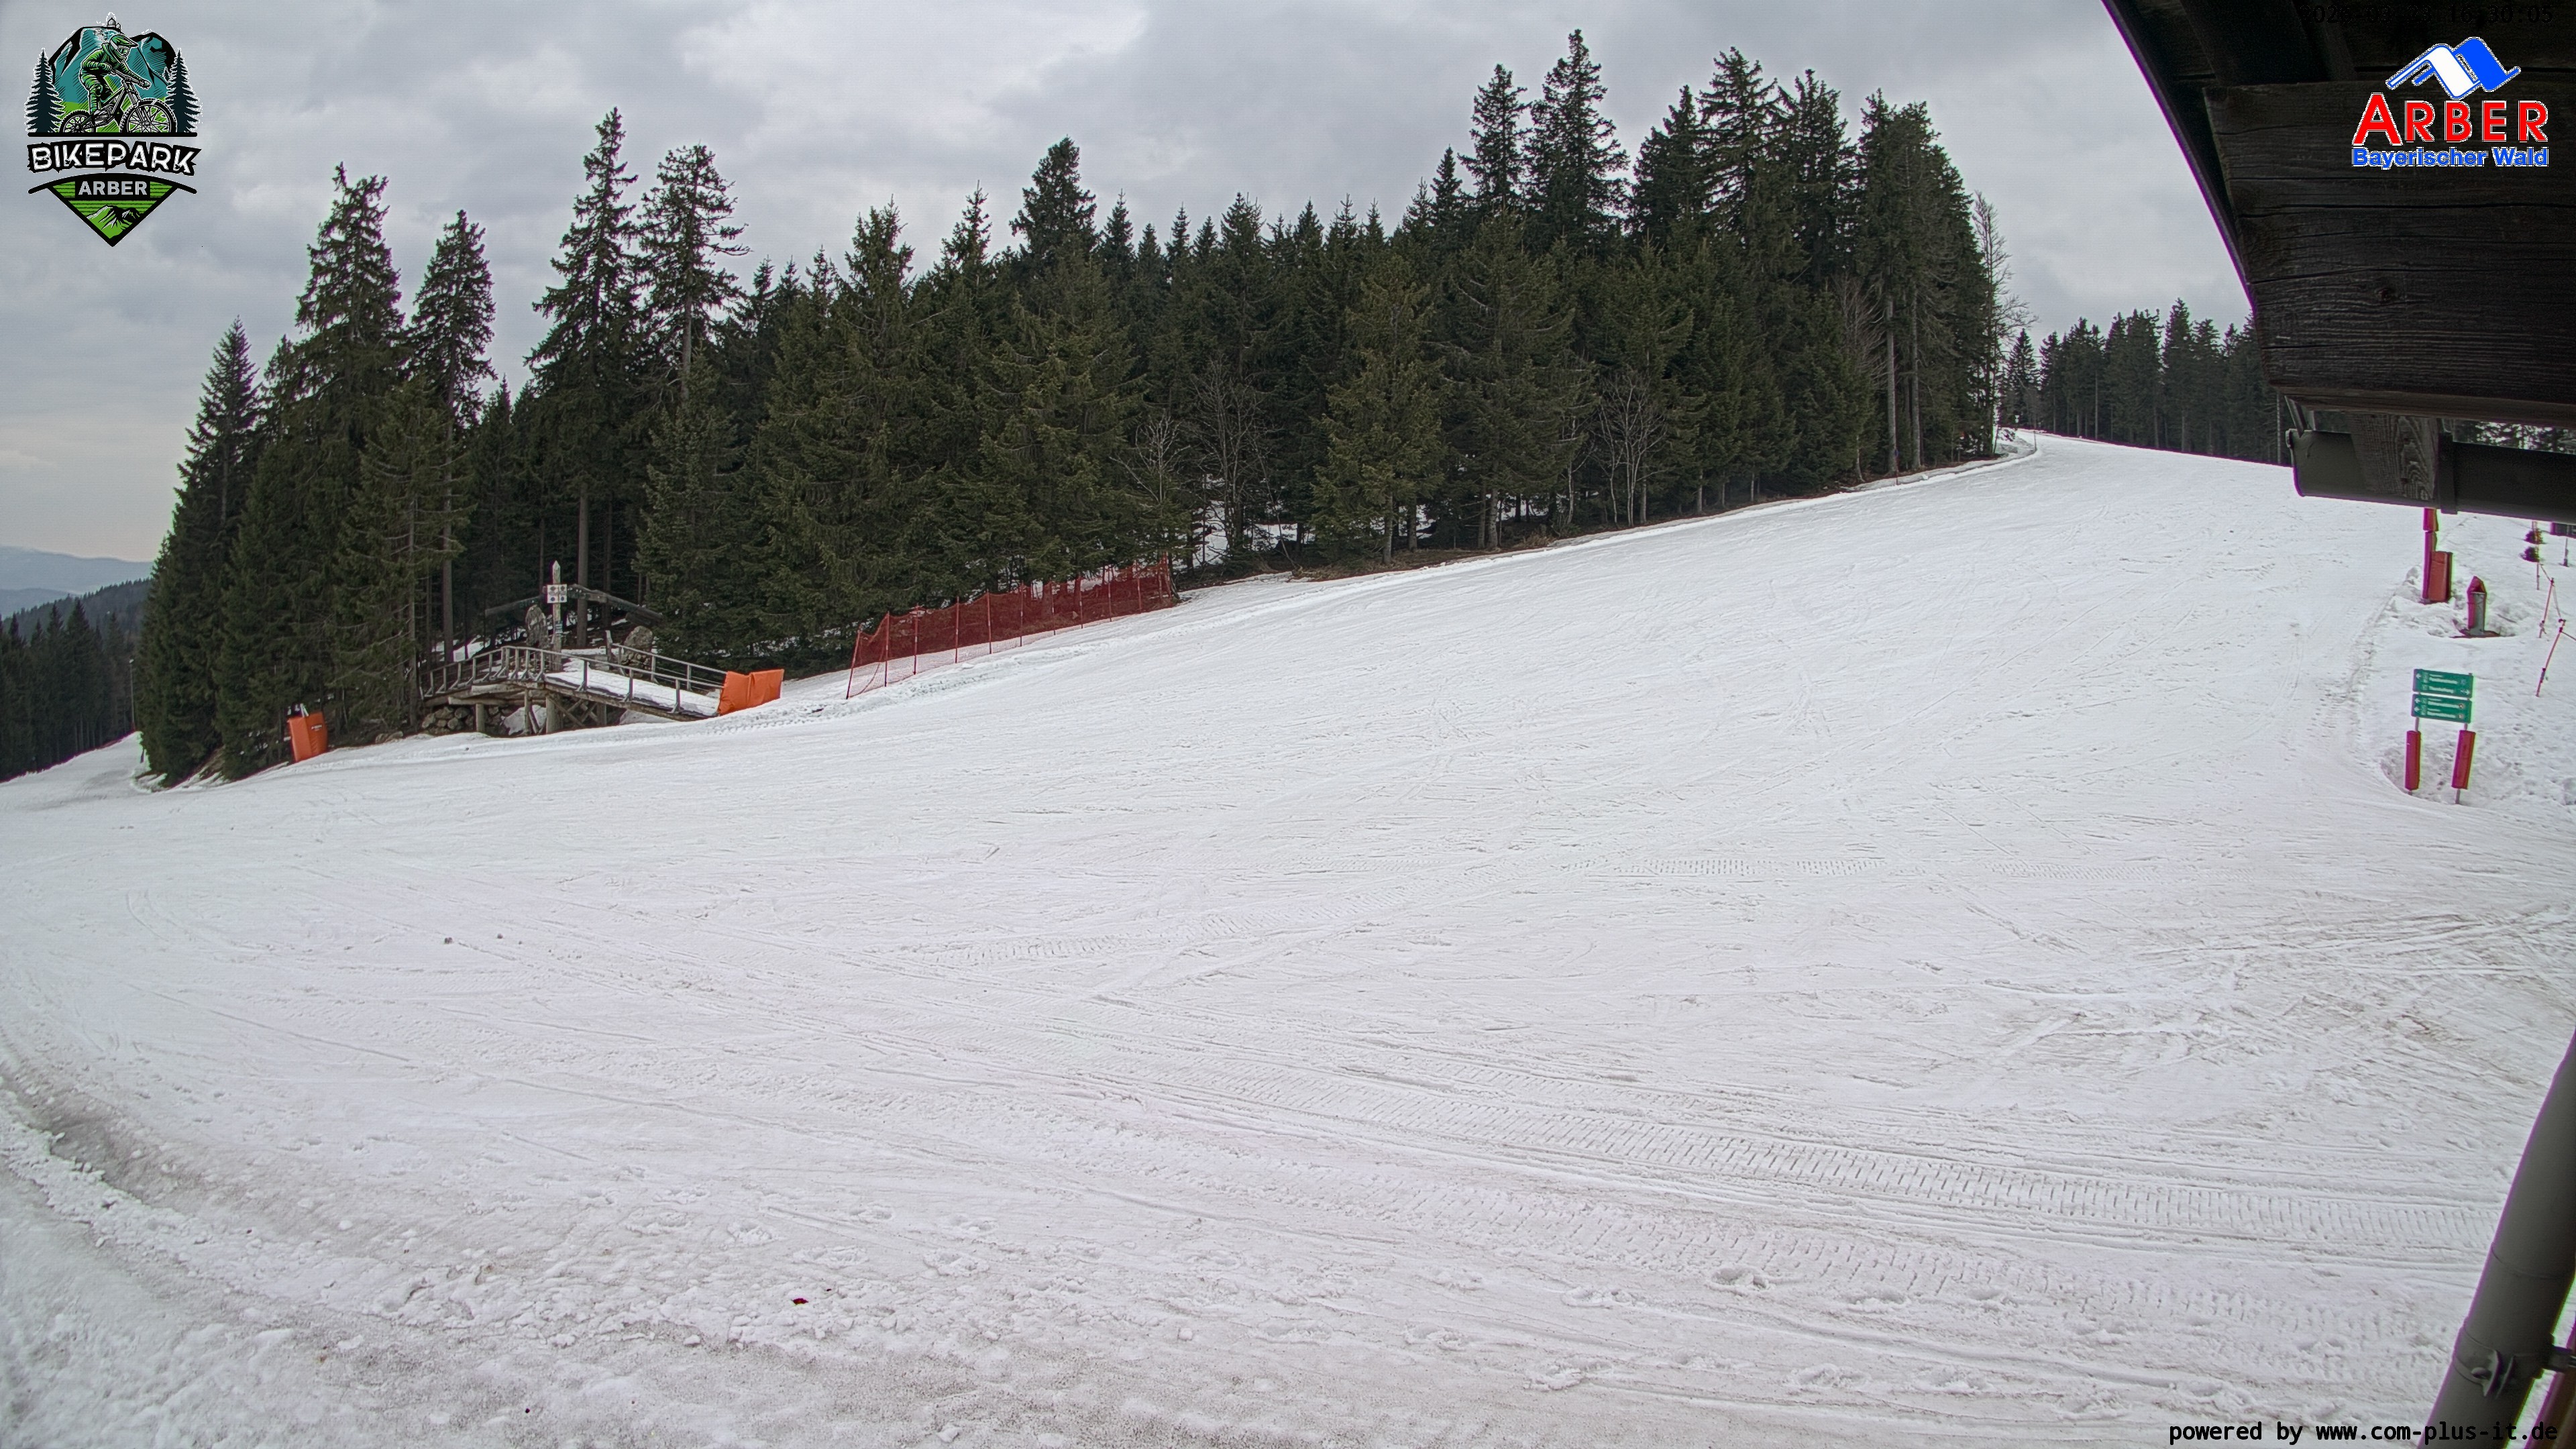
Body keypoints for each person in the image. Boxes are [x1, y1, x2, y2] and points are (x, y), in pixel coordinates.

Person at [77, 17, 147, 126]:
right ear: (114, 48)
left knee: (114, 105)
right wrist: (102, 65)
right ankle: (94, 112)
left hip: (99, 77)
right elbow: (85, 64)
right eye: (122, 50)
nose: (125, 54)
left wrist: (141, 81)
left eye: (127, 51)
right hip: (88, 74)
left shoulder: (119, 62)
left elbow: (128, 72)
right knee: (97, 87)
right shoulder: (102, 53)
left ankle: (123, 128)